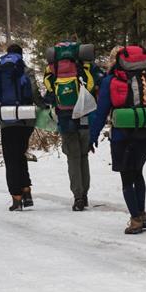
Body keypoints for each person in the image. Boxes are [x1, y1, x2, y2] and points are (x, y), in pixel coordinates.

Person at [88, 45, 146, 235]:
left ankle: (136, 219)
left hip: (123, 136)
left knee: (127, 177)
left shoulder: (111, 80)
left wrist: (92, 136)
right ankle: (142, 214)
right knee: (138, 173)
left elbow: (101, 112)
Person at [44, 43, 103, 211]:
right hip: (85, 115)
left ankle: (77, 196)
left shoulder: (53, 68)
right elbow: (100, 81)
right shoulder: (86, 66)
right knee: (84, 156)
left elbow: (49, 93)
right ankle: (84, 195)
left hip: (65, 118)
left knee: (73, 158)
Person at [0, 44, 42, 211]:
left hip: (7, 123)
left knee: (11, 159)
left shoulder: (0, 72)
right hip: (26, 121)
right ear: (21, 55)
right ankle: (26, 190)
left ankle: (17, 198)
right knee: (20, 154)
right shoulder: (27, 70)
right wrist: (42, 107)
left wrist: (1, 111)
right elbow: (34, 93)